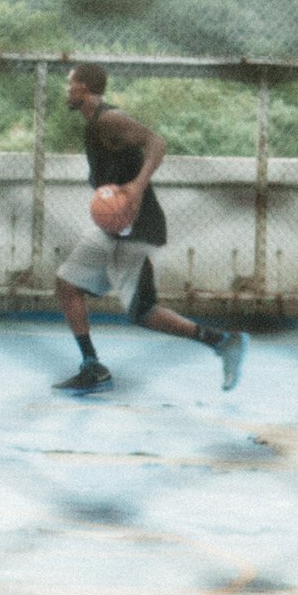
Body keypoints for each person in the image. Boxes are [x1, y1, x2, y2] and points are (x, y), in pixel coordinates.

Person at [51, 63, 247, 393]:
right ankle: (92, 366)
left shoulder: (110, 119)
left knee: (141, 311)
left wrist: (137, 187)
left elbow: (156, 141)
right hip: (113, 226)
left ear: (84, 88)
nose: (67, 90)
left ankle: (223, 341)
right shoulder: (94, 124)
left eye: (70, 84)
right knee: (67, 285)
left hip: (138, 226)